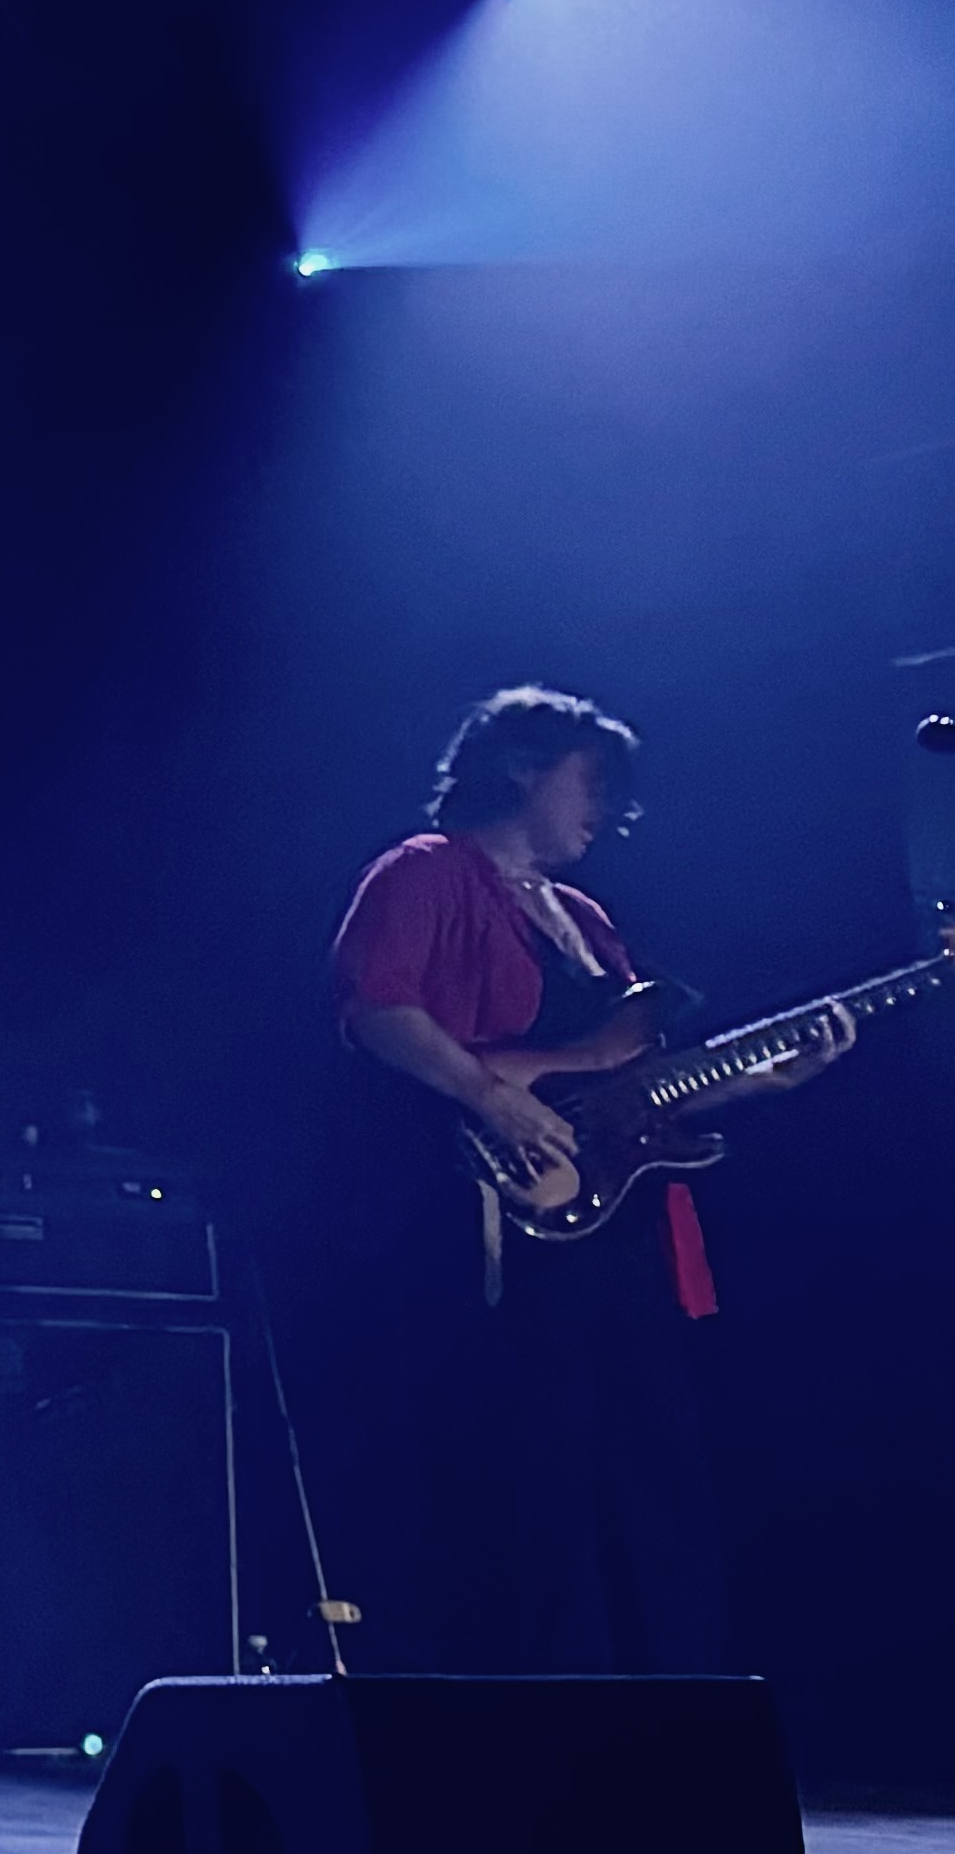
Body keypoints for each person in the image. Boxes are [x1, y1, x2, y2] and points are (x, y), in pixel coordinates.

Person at [327, 688, 839, 1675]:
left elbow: (629, 1095)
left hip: (619, 1227)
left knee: (657, 1484)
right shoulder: (426, 871)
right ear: (520, 764)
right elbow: (377, 1008)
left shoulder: (586, 918)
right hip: (497, 1226)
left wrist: (769, 1078)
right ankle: (546, 1724)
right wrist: (489, 1094)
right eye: (591, 778)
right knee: (541, 1482)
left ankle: (675, 1721)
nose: (609, 807)